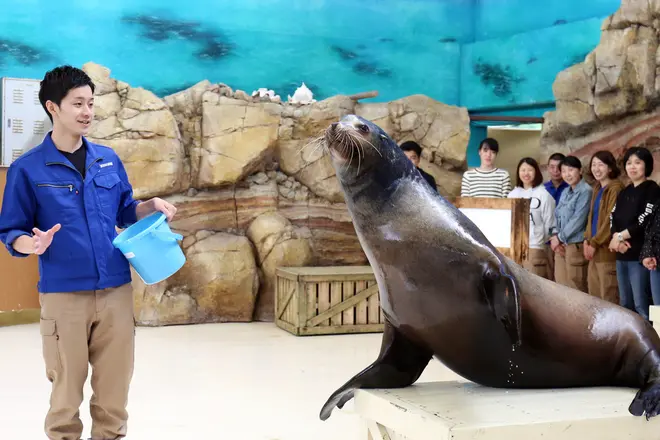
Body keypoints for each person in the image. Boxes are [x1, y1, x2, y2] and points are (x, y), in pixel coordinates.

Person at [0, 65, 178, 440]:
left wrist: (149, 206)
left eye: (91, 103)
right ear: (53, 106)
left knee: (115, 396)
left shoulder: (108, 158)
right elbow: (10, 230)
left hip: (115, 289)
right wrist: (30, 244)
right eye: (77, 103)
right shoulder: (26, 169)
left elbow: (125, 210)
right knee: (65, 395)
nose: (87, 112)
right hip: (64, 295)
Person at [609, 146, 660, 322]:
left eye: (638, 162)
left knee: (642, 303)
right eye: (629, 163)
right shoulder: (624, 191)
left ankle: (648, 343)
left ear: (647, 165)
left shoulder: (652, 189)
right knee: (625, 303)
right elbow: (613, 216)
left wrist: (621, 236)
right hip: (622, 253)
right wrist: (616, 238)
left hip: (640, 255)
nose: (632, 167)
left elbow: (645, 218)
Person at [583, 151, 624, 304]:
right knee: (595, 299)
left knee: (609, 298)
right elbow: (590, 217)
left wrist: (595, 242)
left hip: (607, 252)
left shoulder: (615, 188)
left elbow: (610, 219)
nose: (596, 169)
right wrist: (587, 239)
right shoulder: (597, 188)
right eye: (594, 165)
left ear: (610, 168)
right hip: (593, 252)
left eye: (601, 165)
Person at [549, 155, 592, 292]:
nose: (567, 174)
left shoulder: (586, 191)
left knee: (576, 289)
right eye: (564, 171)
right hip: (561, 245)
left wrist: (559, 238)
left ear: (580, 170)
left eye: (571, 170)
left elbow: (578, 219)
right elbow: (557, 215)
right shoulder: (565, 191)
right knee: (561, 288)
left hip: (575, 245)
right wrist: (555, 236)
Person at [507, 157, 556, 279]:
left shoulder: (544, 195)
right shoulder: (512, 195)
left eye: (530, 170)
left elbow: (549, 223)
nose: (526, 173)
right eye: (523, 170)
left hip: (535, 248)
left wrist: (538, 238)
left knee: (535, 289)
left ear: (536, 172)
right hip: (514, 249)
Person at [543, 152, 569, 281]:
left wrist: (560, 238)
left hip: (565, 241)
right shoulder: (542, 189)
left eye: (559, 167)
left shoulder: (570, 188)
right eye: (552, 167)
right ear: (547, 168)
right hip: (546, 241)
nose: (556, 171)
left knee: (563, 282)